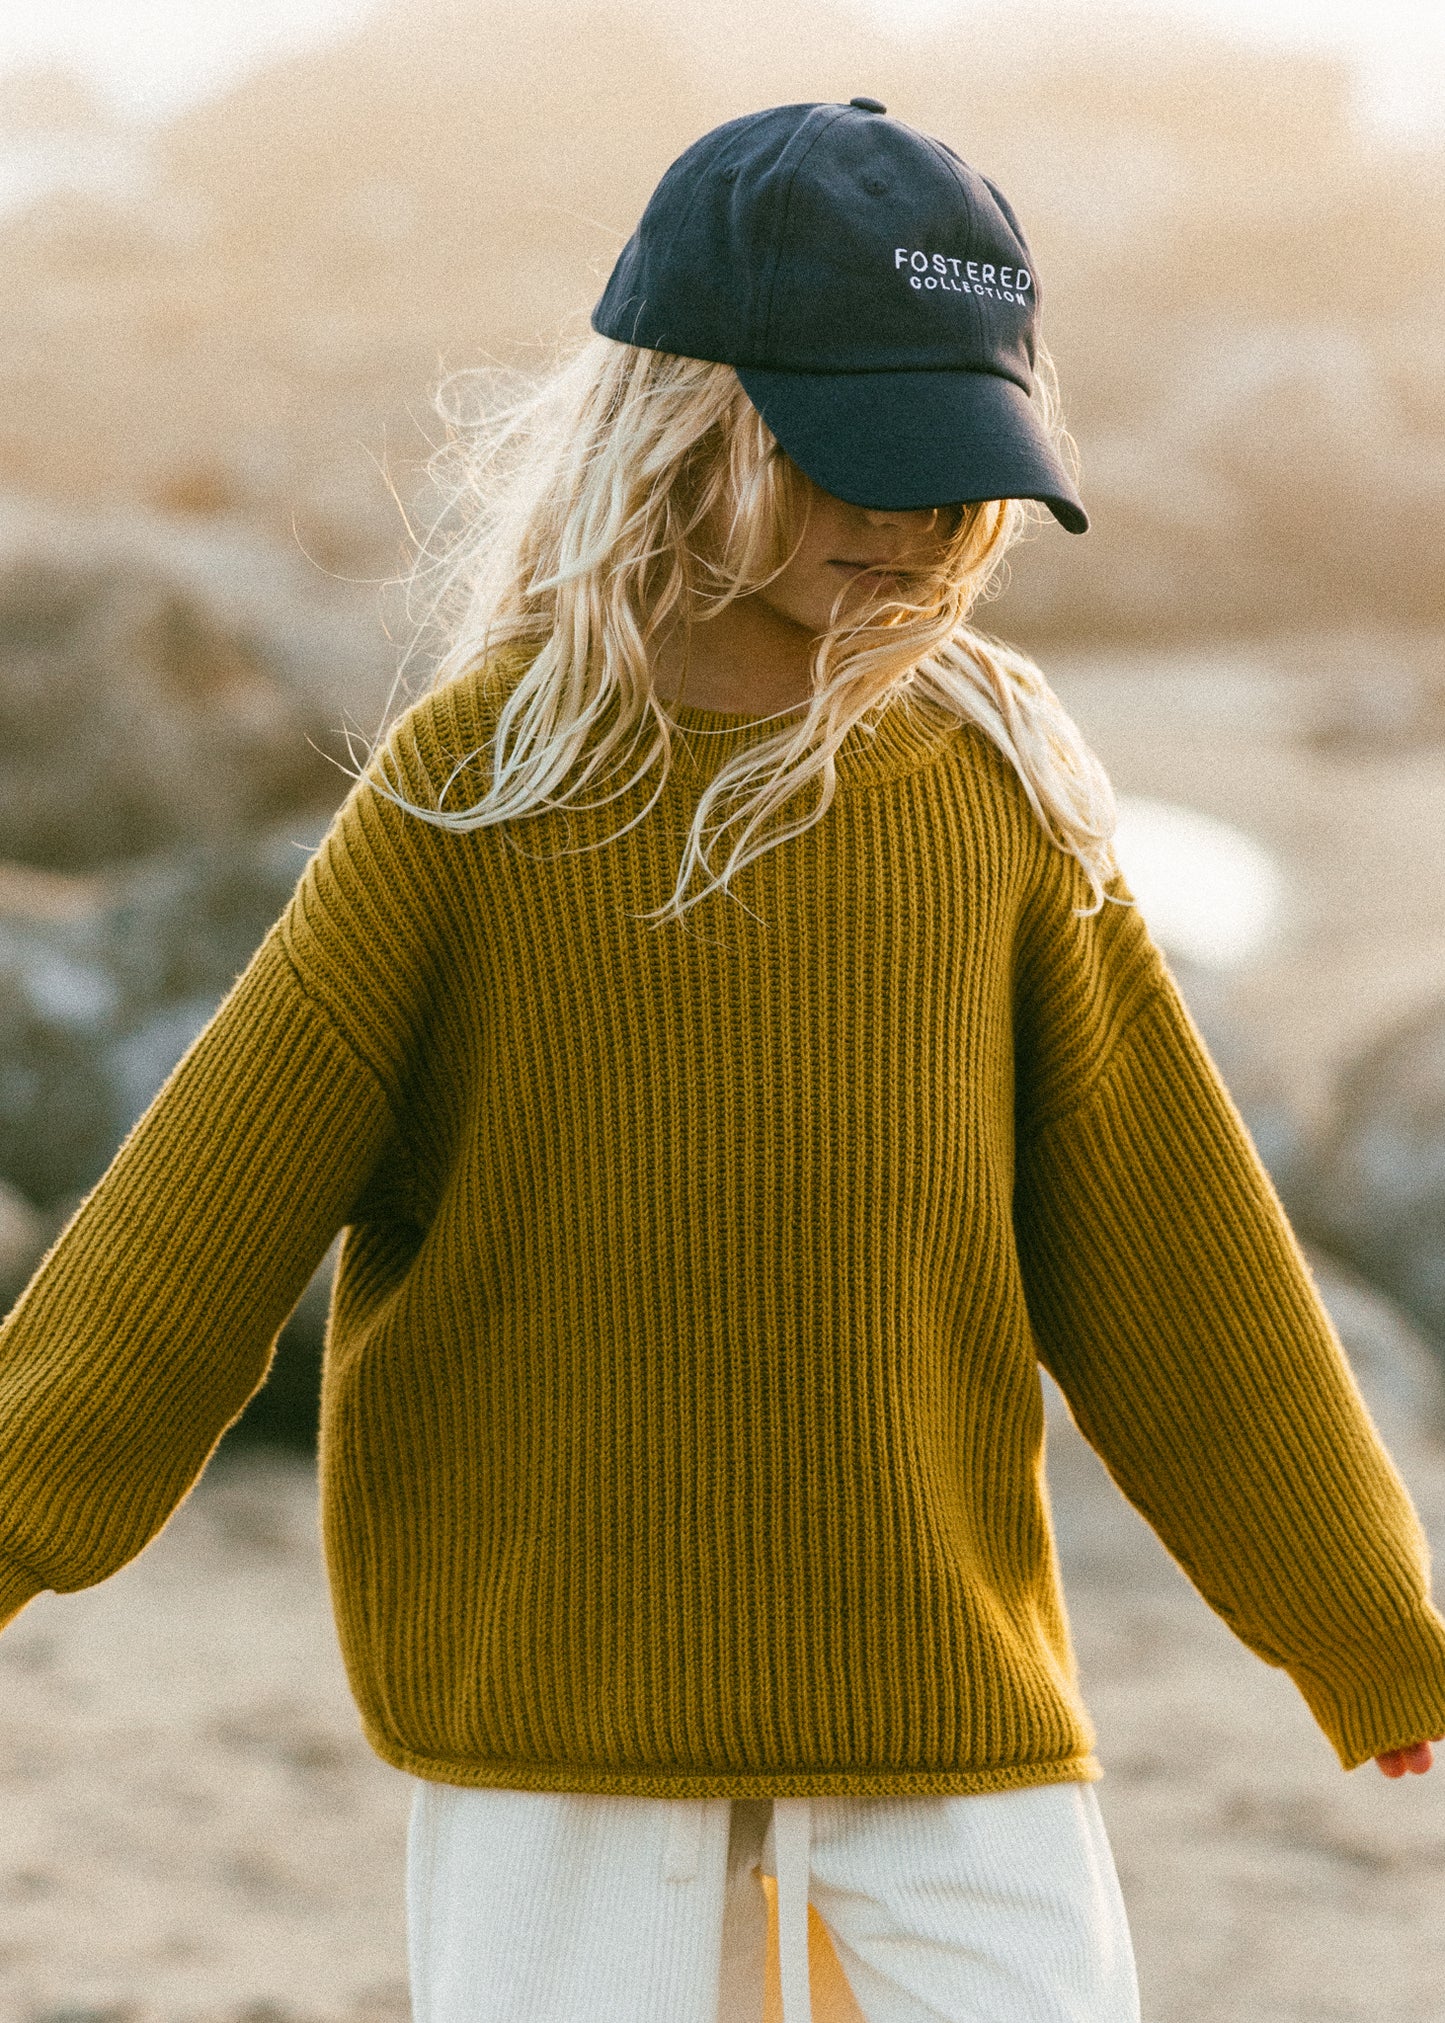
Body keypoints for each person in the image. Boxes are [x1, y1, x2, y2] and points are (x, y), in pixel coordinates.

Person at [1, 97, 1442, 2023]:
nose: (918, 514)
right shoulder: (479, 790)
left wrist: (1365, 1624)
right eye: (857, 453)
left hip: (938, 1692)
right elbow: (195, 1222)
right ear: (684, 421)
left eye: (957, 460)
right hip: (558, 1705)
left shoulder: (993, 789)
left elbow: (1181, 1261)